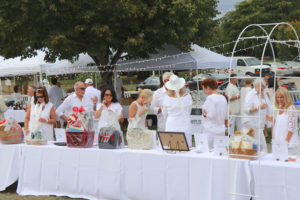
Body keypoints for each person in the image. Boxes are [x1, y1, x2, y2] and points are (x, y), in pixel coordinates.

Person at [162, 75, 193, 147]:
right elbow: (189, 111)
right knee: (186, 150)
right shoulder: (188, 97)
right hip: (184, 124)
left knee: (171, 150)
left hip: (172, 125)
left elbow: (164, 114)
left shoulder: (167, 98)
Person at [267, 87, 298, 155]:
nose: (279, 99)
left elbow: (291, 128)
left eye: (281, 97)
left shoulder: (291, 108)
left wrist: (285, 142)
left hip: (288, 144)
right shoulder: (280, 107)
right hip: (279, 143)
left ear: (286, 97)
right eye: (277, 97)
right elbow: (278, 125)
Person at [201, 78, 228, 149]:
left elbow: (212, 115)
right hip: (221, 129)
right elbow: (226, 116)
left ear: (208, 87)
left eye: (204, 88)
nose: (204, 91)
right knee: (219, 152)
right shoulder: (223, 97)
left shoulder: (210, 98)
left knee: (208, 152)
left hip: (211, 130)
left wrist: (205, 114)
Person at [243, 78, 268, 152]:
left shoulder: (261, 94)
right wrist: (258, 107)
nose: (263, 88)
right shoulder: (250, 95)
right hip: (251, 124)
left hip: (259, 124)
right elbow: (246, 110)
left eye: (264, 86)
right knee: (261, 146)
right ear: (256, 85)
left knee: (259, 147)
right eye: (262, 86)